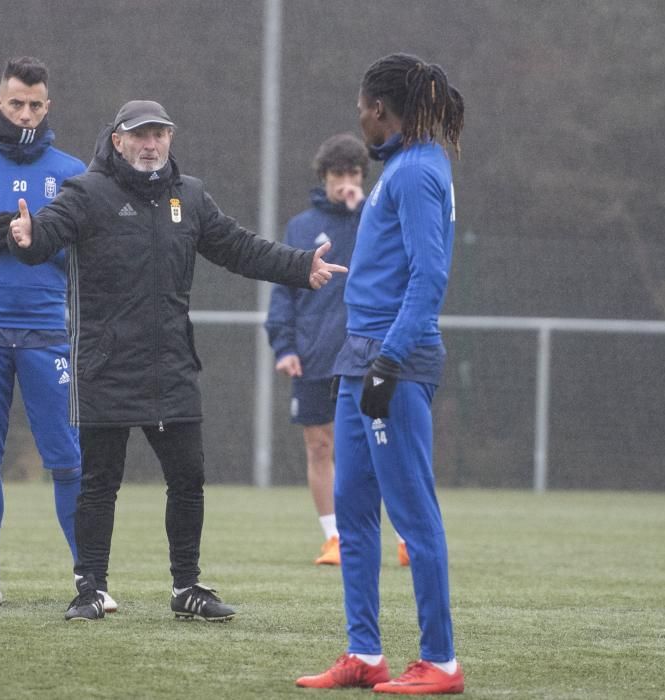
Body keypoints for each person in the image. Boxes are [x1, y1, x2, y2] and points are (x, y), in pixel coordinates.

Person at [5, 99, 348, 622]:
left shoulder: (189, 196)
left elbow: (238, 247)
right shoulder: (87, 192)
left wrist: (301, 266)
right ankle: (89, 588)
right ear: (117, 141)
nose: (150, 144)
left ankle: (186, 587)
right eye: (140, 135)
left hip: (171, 365)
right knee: (100, 481)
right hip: (105, 364)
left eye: (159, 134)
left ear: (170, 140)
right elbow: (46, 231)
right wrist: (27, 239)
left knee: (188, 478)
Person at [296, 54, 466, 693]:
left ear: (377, 109)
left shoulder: (420, 171)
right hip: (357, 357)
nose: (359, 119)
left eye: (361, 108)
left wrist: (390, 360)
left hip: (393, 361)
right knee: (354, 507)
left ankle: (441, 661)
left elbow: (430, 277)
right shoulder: (403, 166)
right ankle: (364, 653)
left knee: (413, 512)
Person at [0, 57, 116, 614]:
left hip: (46, 336)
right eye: (16, 103)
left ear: (48, 106)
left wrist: (36, 240)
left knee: (67, 459)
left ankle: (90, 580)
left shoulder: (71, 173)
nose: (26, 113)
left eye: (35, 104)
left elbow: (88, 259)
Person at [264, 134, 367, 567]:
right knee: (320, 446)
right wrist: (284, 345)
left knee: (381, 445)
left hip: (367, 355)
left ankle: (404, 536)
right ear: (324, 177)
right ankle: (334, 538)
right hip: (314, 356)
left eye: (354, 174)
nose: (346, 182)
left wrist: (364, 210)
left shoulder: (377, 218)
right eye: (338, 174)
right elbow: (284, 292)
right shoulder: (301, 228)